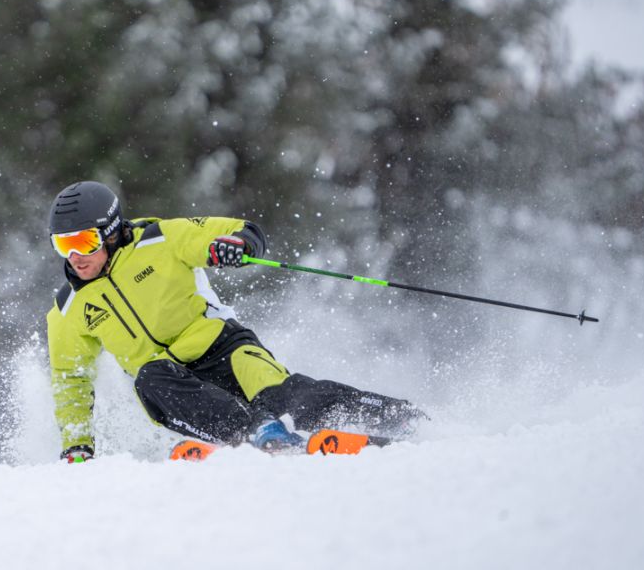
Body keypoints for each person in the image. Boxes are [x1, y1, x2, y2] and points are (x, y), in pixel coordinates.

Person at [45, 181, 425, 463]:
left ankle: (402, 418)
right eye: (63, 245)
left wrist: (238, 245)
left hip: (224, 347)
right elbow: (70, 379)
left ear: (110, 232)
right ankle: (256, 433)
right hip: (171, 385)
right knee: (149, 377)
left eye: (84, 241)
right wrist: (77, 445)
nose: (75, 256)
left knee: (283, 395)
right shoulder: (68, 308)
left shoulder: (161, 240)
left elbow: (242, 231)